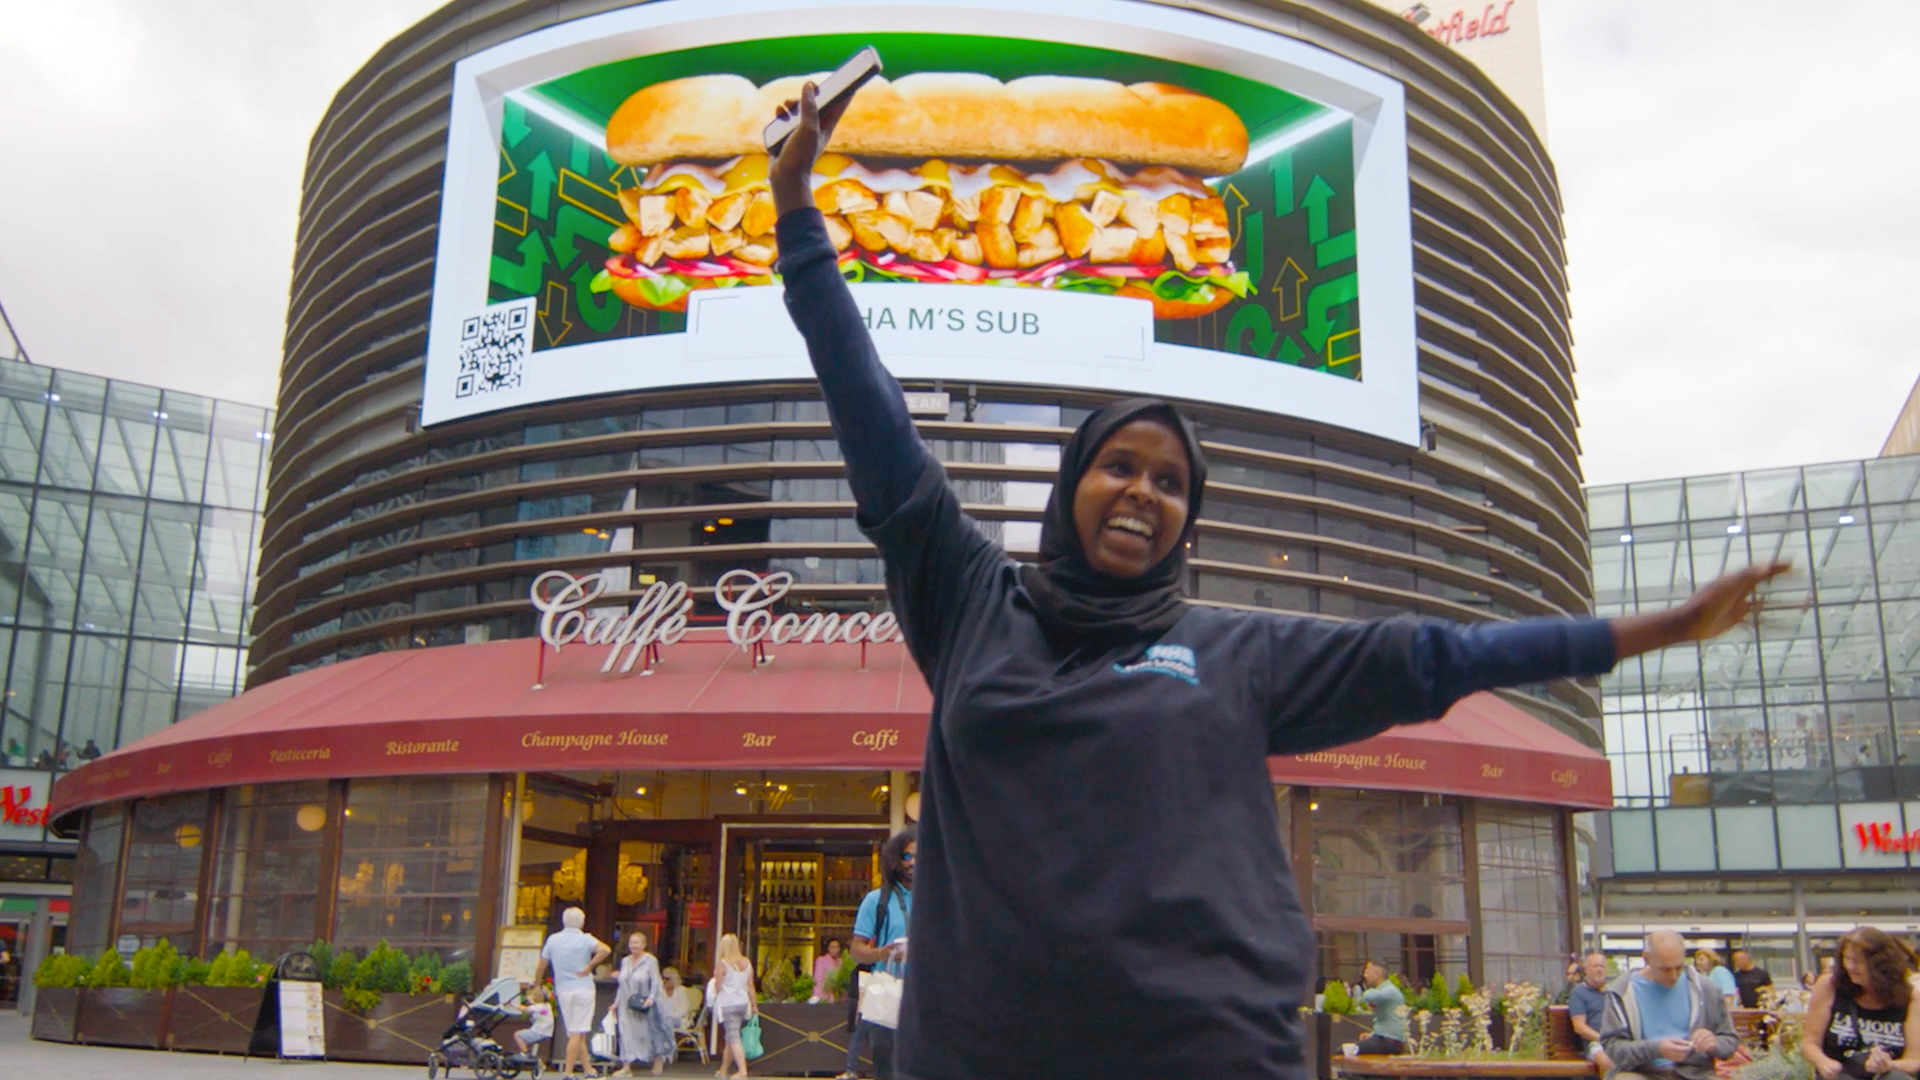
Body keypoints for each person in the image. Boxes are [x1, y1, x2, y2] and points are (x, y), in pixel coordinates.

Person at [765, 81, 1792, 1080]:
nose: (1143, 492)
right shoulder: (972, 607)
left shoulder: (1233, 653)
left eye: (1172, 482)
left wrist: (1650, 631)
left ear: (1188, 522)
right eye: (1119, 466)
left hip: (1207, 1053)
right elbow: (869, 409)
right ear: (1072, 482)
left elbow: (1437, 659)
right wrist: (796, 211)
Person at [1598, 930, 1739, 1080]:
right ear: (1646, 959)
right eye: (1665, 969)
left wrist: (1713, 1043)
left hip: (1696, 1074)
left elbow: (1730, 1041)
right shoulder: (1622, 992)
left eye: (1679, 967)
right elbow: (1612, 1048)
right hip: (1642, 1073)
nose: (1673, 976)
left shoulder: (1707, 989)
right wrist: (1657, 1049)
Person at [1801, 927, 1920, 1080]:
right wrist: (1822, 1062)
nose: (1850, 966)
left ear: (1880, 964)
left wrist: (1889, 1065)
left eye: (1858, 961)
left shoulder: (1910, 998)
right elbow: (1810, 1043)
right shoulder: (1829, 986)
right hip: (1841, 1073)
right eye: (1846, 959)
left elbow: (1914, 1060)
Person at [843, 828, 913, 1080]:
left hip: (930, 997)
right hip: (888, 998)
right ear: (895, 860)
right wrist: (882, 954)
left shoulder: (938, 898)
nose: (913, 862)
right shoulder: (877, 900)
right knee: (887, 1071)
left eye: (920, 855)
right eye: (907, 856)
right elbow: (856, 950)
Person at [534, 906, 611, 1079]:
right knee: (578, 1032)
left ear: (563, 921)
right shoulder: (585, 939)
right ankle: (568, 1072)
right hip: (583, 988)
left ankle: (588, 1070)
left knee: (576, 1031)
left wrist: (537, 984)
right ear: (582, 922)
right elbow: (605, 949)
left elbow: (541, 965)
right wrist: (590, 966)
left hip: (564, 990)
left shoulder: (553, 940)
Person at [610, 930, 675, 1076]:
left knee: (649, 1033)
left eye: (636, 943)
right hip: (627, 1004)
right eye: (631, 942)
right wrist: (616, 1002)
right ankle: (626, 1066)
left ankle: (658, 1059)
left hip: (644, 1003)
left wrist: (651, 998)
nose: (633, 946)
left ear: (644, 945)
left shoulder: (650, 961)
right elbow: (622, 983)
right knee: (626, 1033)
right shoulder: (625, 961)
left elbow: (656, 981)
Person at [711, 933, 758, 1080]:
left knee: (734, 1038)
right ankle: (723, 1070)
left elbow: (717, 987)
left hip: (728, 1004)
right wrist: (754, 1004)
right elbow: (751, 985)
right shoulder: (747, 962)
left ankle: (743, 1071)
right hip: (742, 1003)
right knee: (730, 1037)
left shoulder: (722, 963)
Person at [1568, 952, 1616, 1074]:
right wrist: (1602, 1038)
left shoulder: (1612, 993)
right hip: (1595, 1042)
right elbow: (1579, 1027)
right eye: (1595, 966)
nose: (1599, 969)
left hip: (1617, 1040)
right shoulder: (1578, 993)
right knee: (1606, 1061)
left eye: (1602, 966)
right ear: (1586, 970)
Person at [1356, 961, 1408, 1055]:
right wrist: (1372, 1035)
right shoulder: (1386, 990)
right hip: (1386, 1039)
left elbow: (1367, 996)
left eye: (1367, 971)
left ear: (1377, 974)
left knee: (1345, 1051)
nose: (1365, 975)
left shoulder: (1389, 990)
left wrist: (1365, 993)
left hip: (1388, 1041)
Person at [514, 985, 556, 1058]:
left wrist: (514, 1005)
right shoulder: (547, 1006)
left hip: (538, 1032)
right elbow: (536, 1007)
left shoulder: (538, 1007)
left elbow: (526, 1009)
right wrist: (532, 1001)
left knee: (517, 1035)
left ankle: (525, 1053)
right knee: (526, 1035)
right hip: (546, 1032)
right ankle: (530, 1054)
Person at [661, 966, 694, 1033]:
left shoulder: (681, 990)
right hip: (662, 1019)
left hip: (677, 1019)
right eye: (663, 978)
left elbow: (684, 1009)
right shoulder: (660, 991)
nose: (664, 981)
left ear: (674, 979)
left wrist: (670, 1016)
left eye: (667, 979)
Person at [813, 938, 845, 1004]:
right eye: (832, 947)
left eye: (837, 947)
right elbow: (818, 979)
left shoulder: (842, 961)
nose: (834, 950)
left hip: (838, 996)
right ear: (828, 948)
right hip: (823, 994)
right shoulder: (821, 960)